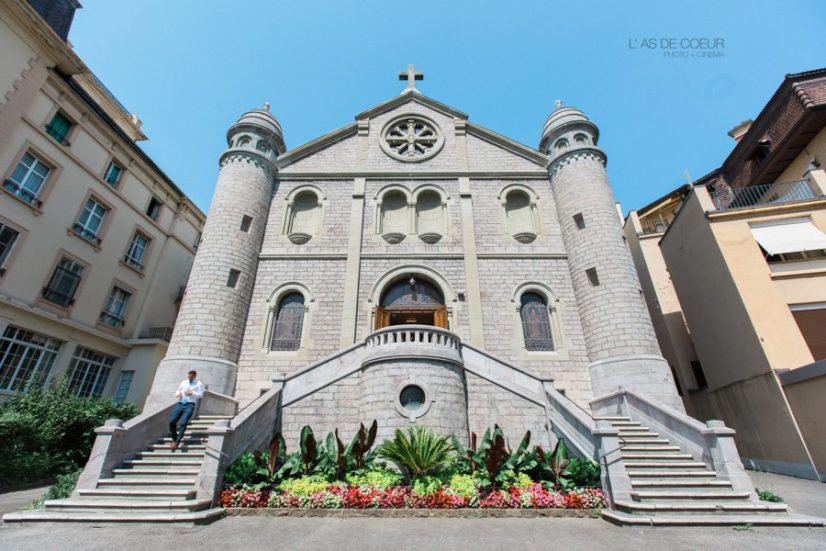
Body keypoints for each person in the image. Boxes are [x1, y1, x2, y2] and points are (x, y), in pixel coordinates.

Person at [168, 370, 204, 450]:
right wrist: (178, 394)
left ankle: (177, 441)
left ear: (195, 376)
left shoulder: (199, 384)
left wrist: (193, 394)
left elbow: (201, 395)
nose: (189, 378)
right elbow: (178, 390)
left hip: (190, 405)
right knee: (171, 421)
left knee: (184, 422)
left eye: (191, 377)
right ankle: (175, 438)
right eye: (188, 377)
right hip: (180, 404)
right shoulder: (184, 382)